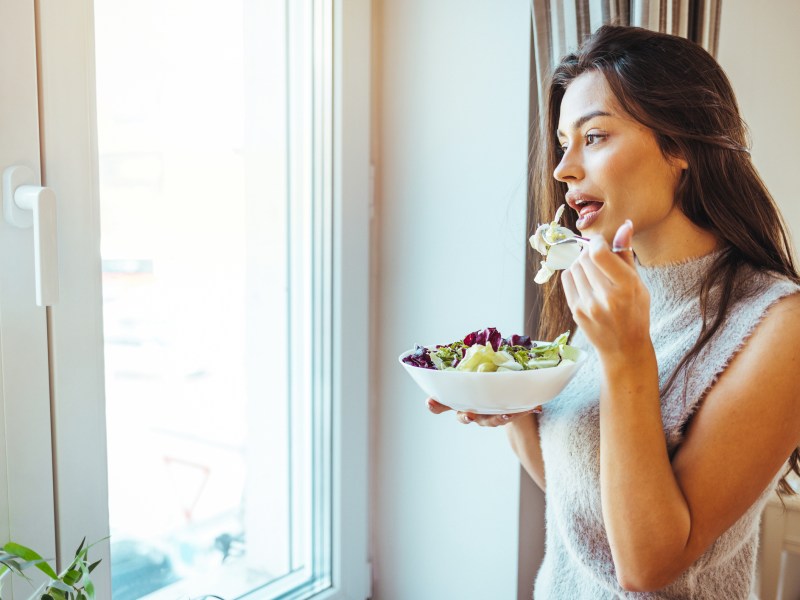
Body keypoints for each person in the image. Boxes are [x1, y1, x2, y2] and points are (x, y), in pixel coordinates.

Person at [428, 24, 800, 598]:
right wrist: (508, 403)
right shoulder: (614, 289)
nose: (562, 169)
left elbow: (647, 567)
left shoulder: (777, 324)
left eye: (594, 137)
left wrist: (627, 354)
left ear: (680, 146)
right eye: (562, 144)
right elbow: (581, 503)